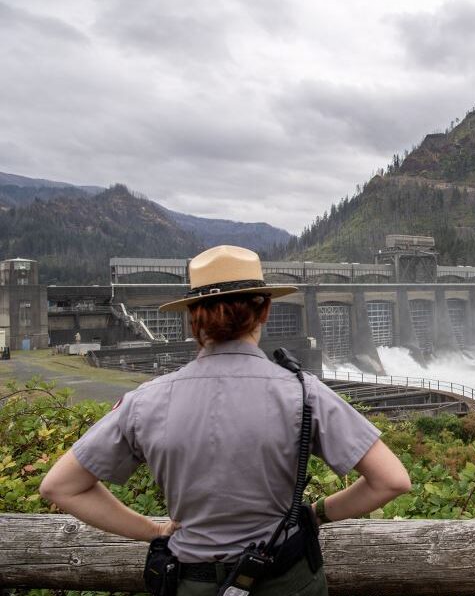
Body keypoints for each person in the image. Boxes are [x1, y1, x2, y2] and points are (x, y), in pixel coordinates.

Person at [40, 245, 412, 595]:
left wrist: (152, 529)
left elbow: (60, 486)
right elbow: (391, 480)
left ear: (192, 318)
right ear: (264, 309)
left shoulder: (146, 401)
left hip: (193, 583)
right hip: (287, 580)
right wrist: (316, 514)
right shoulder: (303, 394)